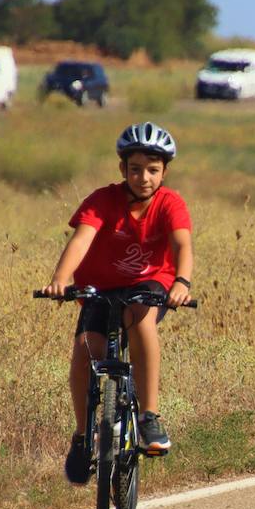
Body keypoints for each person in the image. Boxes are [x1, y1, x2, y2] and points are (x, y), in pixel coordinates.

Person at [43, 121, 194, 483]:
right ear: (122, 169)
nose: (144, 178)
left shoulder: (170, 203)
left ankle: (149, 417)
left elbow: (182, 245)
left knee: (140, 319)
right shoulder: (102, 200)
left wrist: (182, 282)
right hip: (101, 287)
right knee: (85, 350)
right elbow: (81, 239)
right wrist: (61, 280)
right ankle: (82, 436)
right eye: (135, 169)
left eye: (153, 170)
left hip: (150, 283)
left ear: (165, 172)